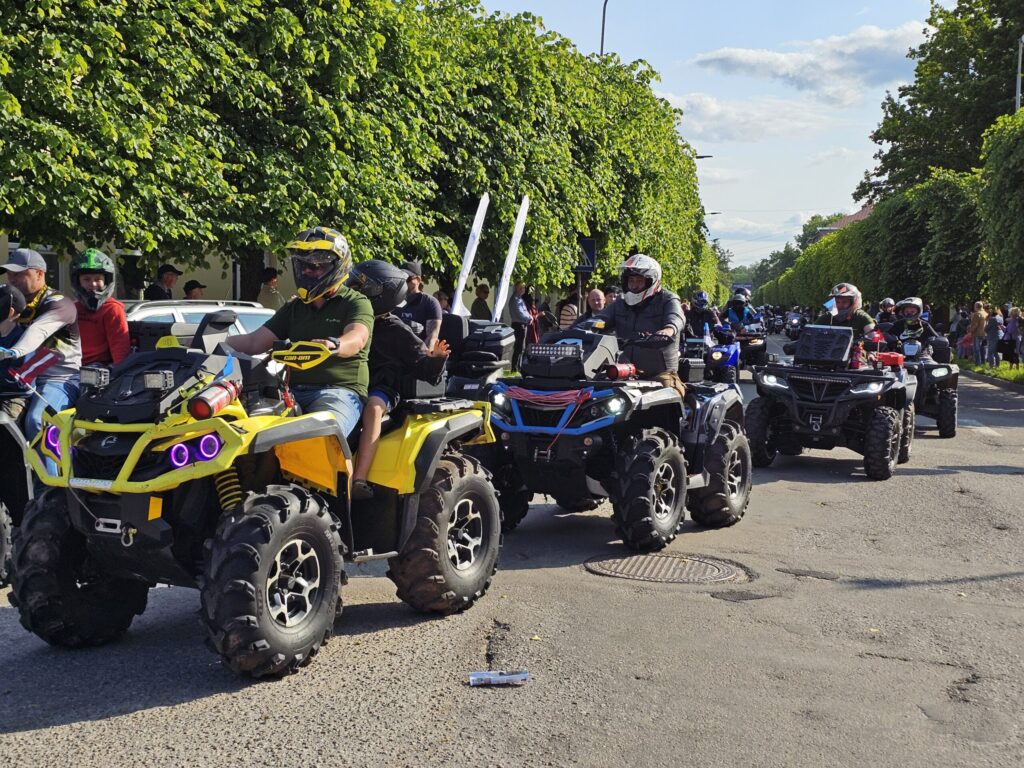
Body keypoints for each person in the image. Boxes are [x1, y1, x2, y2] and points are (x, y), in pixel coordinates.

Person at [223, 226, 371, 436]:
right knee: (243, 432)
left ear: (338, 266)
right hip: (290, 392)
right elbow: (254, 342)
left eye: (316, 266)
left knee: (319, 437)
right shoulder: (295, 307)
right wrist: (207, 342)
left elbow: (357, 338)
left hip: (339, 392)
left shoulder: (356, 302)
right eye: (302, 265)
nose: (307, 272)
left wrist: (335, 344)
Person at [345, 260, 449, 500]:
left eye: (360, 288)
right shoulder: (348, 321)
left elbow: (425, 368)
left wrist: (436, 358)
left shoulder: (396, 328)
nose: (352, 291)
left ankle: (359, 479)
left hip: (383, 387)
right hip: (349, 383)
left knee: (373, 409)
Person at [0, 248, 82, 447]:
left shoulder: (59, 303)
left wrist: (14, 352)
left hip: (57, 379)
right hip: (19, 381)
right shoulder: (11, 301)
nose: (12, 279)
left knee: (37, 421)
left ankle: (49, 469)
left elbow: (38, 331)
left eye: (19, 273)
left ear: (39, 274)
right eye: (9, 274)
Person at [595, 254, 686, 397]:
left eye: (639, 280)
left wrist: (668, 330)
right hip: (624, 373)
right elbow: (600, 320)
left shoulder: (668, 299)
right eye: (631, 280)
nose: (634, 285)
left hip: (659, 375)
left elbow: (676, 317)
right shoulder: (620, 303)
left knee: (667, 396)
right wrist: (579, 330)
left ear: (651, 281)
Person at [71, 249, 130, 367]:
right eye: (86, 279)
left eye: (98, 279)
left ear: (107, 281)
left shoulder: (112, 309)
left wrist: (119, 371)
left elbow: (120, 347)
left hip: (98, 369)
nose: (93, 284)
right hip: (71, 365)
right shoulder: (73, 308)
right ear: (78, 282)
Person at [396, 261, 442, 347]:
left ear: (418, 280)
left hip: (417, 351)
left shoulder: (430, 302)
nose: (404, 282)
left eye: (407, 278)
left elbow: (432, 336)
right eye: (401, 277)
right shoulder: (394, 299)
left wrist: (424, 353)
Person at [508, 282, 532, 372]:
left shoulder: (520, 299)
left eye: (524, 287)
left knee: (522, 348)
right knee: (518, 348)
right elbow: (520, 313)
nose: (523, 289)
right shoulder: (514, 299)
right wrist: (529, 318)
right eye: (521, 287)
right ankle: (515, 368)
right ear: (516, 288)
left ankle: (519, 367)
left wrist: (530, 317)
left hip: (523, 324)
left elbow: (525, 311)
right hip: (518, 325)